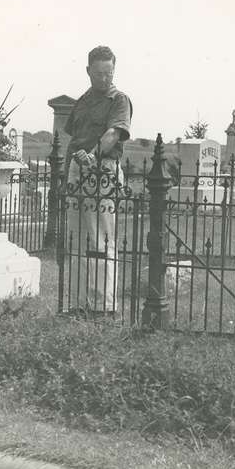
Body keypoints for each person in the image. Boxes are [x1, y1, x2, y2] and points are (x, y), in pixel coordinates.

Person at [64, 45, 133, 314]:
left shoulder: (119, 100)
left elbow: (114, 133)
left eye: (109, 73)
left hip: (102, 170)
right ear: (88, 71)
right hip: (77, 170)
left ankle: (104, 305)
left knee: (101, 238)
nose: (104, 79)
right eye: (99, 73)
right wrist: (68, 173)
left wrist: (92, 156)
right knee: (76, 239)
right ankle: (79, 303)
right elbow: (73, 138)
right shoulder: (82, 100)